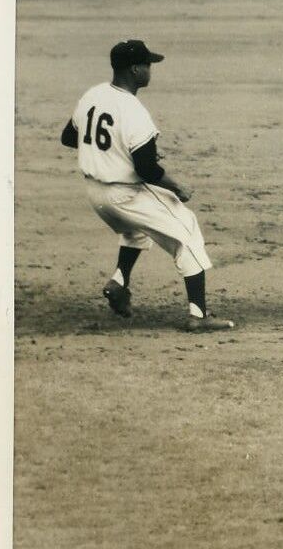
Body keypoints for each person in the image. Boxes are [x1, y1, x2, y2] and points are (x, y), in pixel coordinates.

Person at [59, 40, 234, 331]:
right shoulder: (134, 111)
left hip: (95, 194)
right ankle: (199, 316)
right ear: (135, 69)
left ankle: (119, 282)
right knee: (187, 230)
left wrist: (110, 151)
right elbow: (148, 169)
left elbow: (68, 137)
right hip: (123, 192)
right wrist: (178, 188)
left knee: (136, 228)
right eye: (148, 65)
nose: (151, 70)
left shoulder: (93, 95)